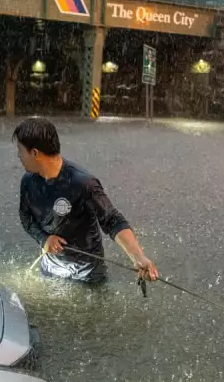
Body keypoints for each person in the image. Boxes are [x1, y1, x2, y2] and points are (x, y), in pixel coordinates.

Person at [14, 118, 159, 284]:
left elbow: (112, 220)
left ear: (35, 153)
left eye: (20, 150)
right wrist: (44, 238)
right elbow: (26, 217)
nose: (18, 155)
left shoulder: (82, 183)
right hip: (50, 269)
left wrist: (138, 257)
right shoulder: (28, 181)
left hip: (87, 274)